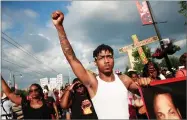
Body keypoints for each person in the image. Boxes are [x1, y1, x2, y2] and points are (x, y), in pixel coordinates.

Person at [51, 10, 151, 119]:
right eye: (102, 58)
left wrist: (146, 83)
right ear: (95, 62)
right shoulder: (93, 83)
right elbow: (71, 58)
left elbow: (147, 93)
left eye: (109, 57)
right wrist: (59, 27)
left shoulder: (124, 79)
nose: (106, 60)